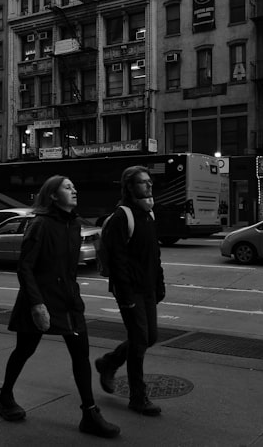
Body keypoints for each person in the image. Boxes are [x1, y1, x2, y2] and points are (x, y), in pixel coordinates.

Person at [0, 175, 120, 439]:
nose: (74, 190)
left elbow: (71, 268)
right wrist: (37, 304)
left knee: (80, 356)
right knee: (24, 350)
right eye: (67, 187)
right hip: (40, 301)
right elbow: (25, 267)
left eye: (74, 186)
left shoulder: (75, 225)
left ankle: (89, 413)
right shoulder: (40, 224)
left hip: (69, 301)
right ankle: (5, 397)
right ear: (53, 195)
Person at [95, 165, 166, 417]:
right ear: (129, 187)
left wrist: (159, 284)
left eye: (149, 181)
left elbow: (153, 256)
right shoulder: (121, 217)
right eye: (142, 182)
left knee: (150, 337)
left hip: (147, 289)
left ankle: (108, 362)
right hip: (130, 291)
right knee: (138, 342)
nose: (148, 185)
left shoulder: (148, 214)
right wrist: (125, 297)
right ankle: (138, 397)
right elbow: (117, 262)